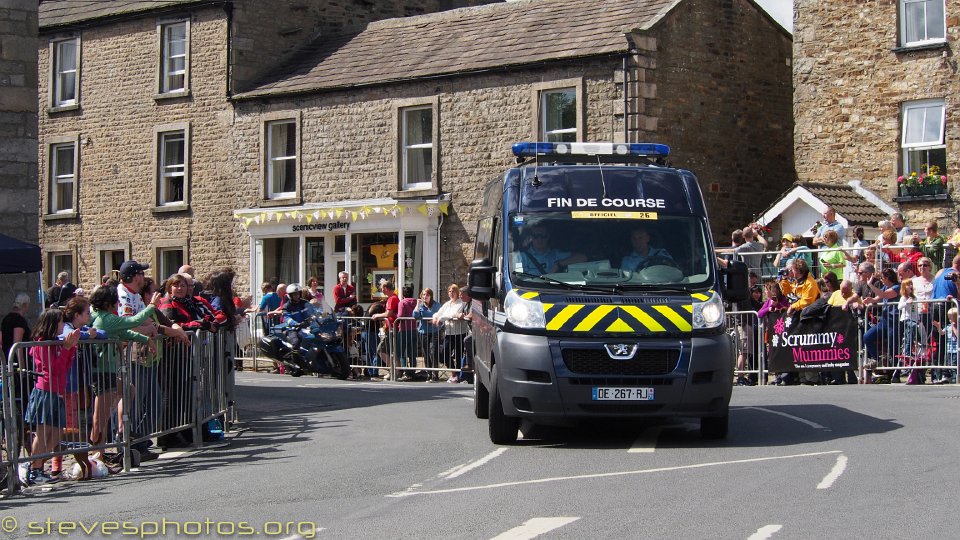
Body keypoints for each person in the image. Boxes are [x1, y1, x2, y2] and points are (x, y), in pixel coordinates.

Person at [88, 285, 161, 448]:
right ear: (109, 303)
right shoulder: (107, 318)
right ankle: (97, 451)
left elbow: (125, 333)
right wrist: (151, 307)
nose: (119, 304)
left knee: (129, 390)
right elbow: (132, 321)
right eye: (116, 301)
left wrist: (145, 340)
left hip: (107, 370)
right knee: (100, 416)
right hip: (102, 371)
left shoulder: (105, 317)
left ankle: (121, 430)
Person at [19, 308, 82, 485]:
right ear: (53, 324)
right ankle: (34, 469)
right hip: (45, 391)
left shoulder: (54, 343)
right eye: (61, 322)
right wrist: (66, 349)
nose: (63, 325)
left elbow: (65, 366)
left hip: (57, 391)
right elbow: (53, 369)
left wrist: (70, 348)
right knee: (43, 432)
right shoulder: (42, 343)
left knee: (56, 434)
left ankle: (37, 465)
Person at [47, 296, 107, 478]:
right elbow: (63, 337)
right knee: (65, 426)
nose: (89, 316)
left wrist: (92, 333)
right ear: (77, 314)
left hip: (80, 383)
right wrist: (87, 335)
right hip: (68, 384)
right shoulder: (67, 328)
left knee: (76, 424)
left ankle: (76, 462)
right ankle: (55, 465)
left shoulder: (80, 328)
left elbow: (103, 333)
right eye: (87, 313)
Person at [862, 268, 901, 383]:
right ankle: (877, 359)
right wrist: (871, 300)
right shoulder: (884, 287)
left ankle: (894, 373)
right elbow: (878, 298)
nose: (882, 281)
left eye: (883, 278)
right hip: (884, 320)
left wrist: (870, 285)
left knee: (893, 347)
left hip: (894, 320)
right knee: (867, 337)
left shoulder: (896, 287)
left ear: (888, 278)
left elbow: (884, 295)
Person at [432, 284, 469, 383]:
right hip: (449, 332)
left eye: (453, 291)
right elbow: (439, 312)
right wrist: (435, 317)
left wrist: (441, 318)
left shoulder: (461, 303)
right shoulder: (448, 304)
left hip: (460, 332)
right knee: (444, 352)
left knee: (458, 355)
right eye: (450, 291)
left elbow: (452, 314)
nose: (451, 293)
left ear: (457, 293)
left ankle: (457, 375)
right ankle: (453, 372)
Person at [518, 225, 585, 274]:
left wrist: (558, 264)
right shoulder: (522, 257)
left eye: (543, 236)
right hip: (530, 288)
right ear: (531, 238)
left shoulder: (555, 254)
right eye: (536, 236)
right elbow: (517, 278)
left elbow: (582, 257)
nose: (540, 239)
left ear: (548, 237)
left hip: (553, 288)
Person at [370, 281, 399, 380]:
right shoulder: (392, 298)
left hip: (392, 328)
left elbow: (389, 313)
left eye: (382, 288)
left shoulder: (392, 299)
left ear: (386, 288)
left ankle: (393, 370)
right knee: (391, 351)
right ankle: (396, 370)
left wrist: (377, 315)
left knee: (381, 349)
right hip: (390, 328)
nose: (381, 289)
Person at [412, 287, 441, 382]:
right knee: (426, 353)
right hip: (423, 332)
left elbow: (439, 316)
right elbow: (415, 316)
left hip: (434, 331)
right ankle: (429, 374)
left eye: (427, 295)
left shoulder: (437, 305)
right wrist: (417, 304)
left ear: (431, 296)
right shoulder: (421, 306)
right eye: (423, 295)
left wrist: (434, 320)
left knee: (433, 352)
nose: (425, 297)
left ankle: (435, 374)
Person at [898, 278, 923, 384]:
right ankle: (907, 351)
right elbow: (900, 307)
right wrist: (907, 303)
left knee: (914, 331)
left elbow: (915, 309)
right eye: (908, 285)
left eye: (911, 284)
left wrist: (917, 318)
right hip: (906, 319)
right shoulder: (904, 298)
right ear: (904, 287)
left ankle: (918, 346)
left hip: (913, 319)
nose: (910, 286)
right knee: (910, 330)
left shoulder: (914, 297)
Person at [395, 286, 419, 381]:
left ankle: (405, 372)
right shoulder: (416, 302)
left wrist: (395, 317)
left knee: (401, 353)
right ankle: (412, 372)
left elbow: (400, 316)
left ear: (403, 294)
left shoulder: (403, 303)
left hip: (404, 329)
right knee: (412, 353)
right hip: (414, 329)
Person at [932, 308, 958, 384]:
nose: (950, 320)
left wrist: (954, 328)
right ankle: (949, 377)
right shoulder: (948, 326)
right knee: (949, 363)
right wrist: (938, 327)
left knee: (954, 364)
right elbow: (942, 333)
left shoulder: (957, 326)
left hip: (956, 349)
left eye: (952, 318)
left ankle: (955, 378)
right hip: (949, 349)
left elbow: (957, 335)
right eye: (949, 318)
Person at [2, 292, 31, 360]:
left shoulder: (6, 318)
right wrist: (22, 366)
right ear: (25, 305)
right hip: (16, 360)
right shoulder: (19, 320)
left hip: (7, 356)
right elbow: (17, 344)